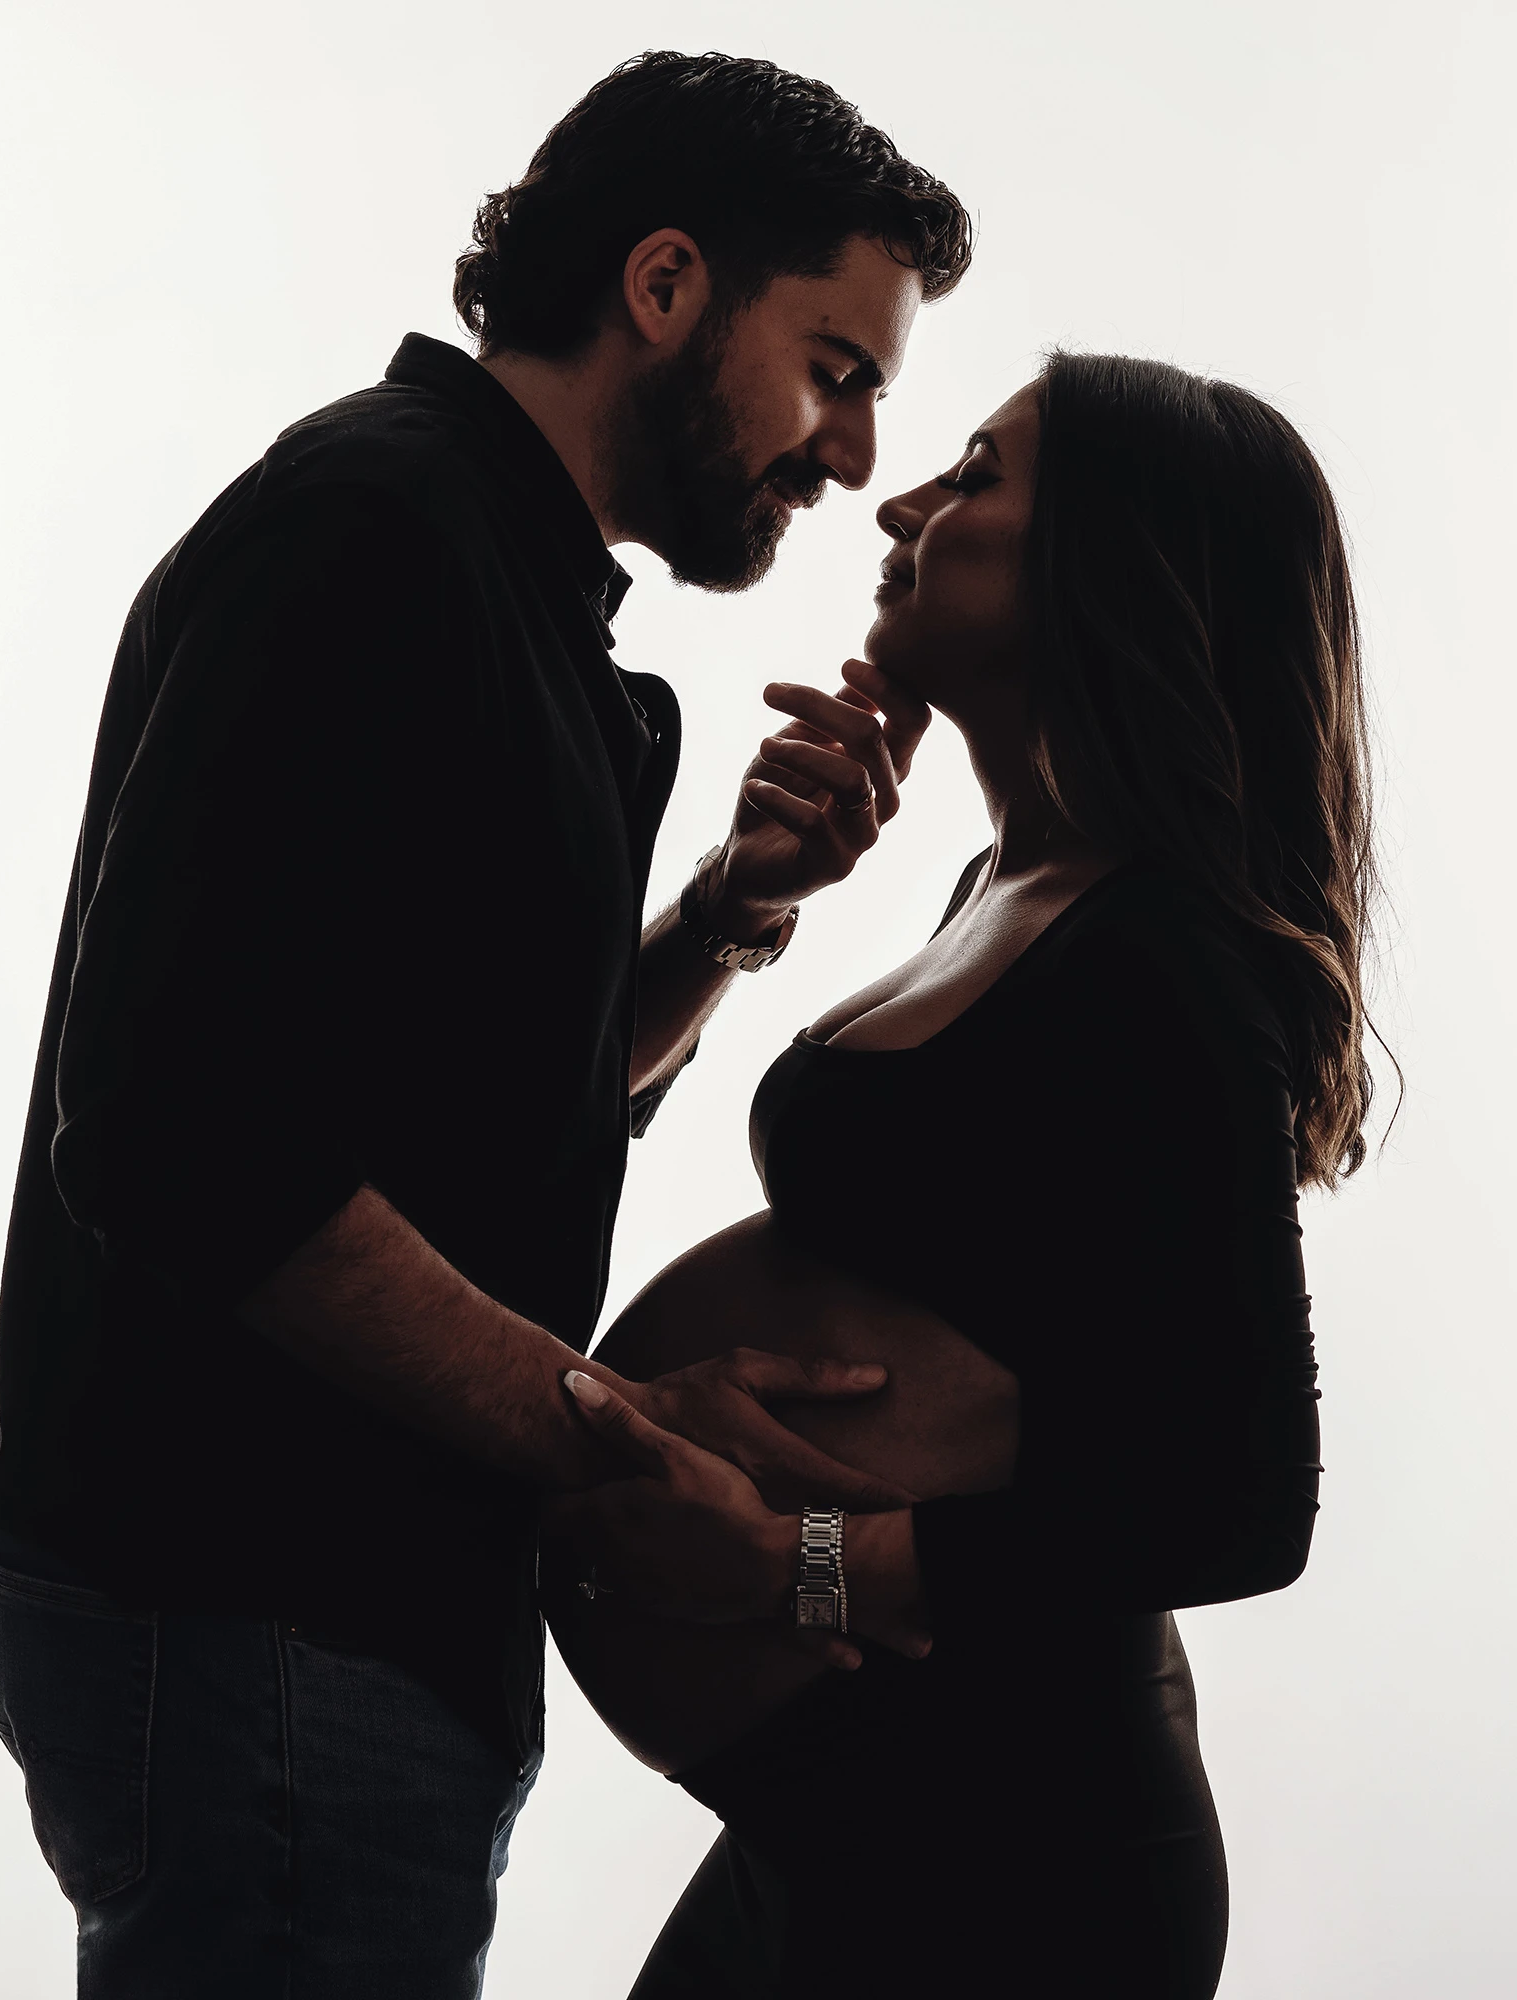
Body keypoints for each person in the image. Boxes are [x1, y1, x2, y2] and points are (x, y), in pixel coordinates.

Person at [0, 53, 970, 1997]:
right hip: (260, 1610)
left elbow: (496, 1101)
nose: (853, 457)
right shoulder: (378, 530)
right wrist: (619, 1434)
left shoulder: (518, 598)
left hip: (322, 1629)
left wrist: (733, 913)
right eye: (836, 369)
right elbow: (184, 1136)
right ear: (664, 285)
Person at [543, 352, 1381, 1999]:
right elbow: (546, 1113)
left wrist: (791, 1563)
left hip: (1024, 1848)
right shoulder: (1010, 885)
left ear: (1111, 566)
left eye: (978, 475)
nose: (904, 506)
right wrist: (744, 898)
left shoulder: (1164, 953)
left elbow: (1237, 1493)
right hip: (869, 1804)